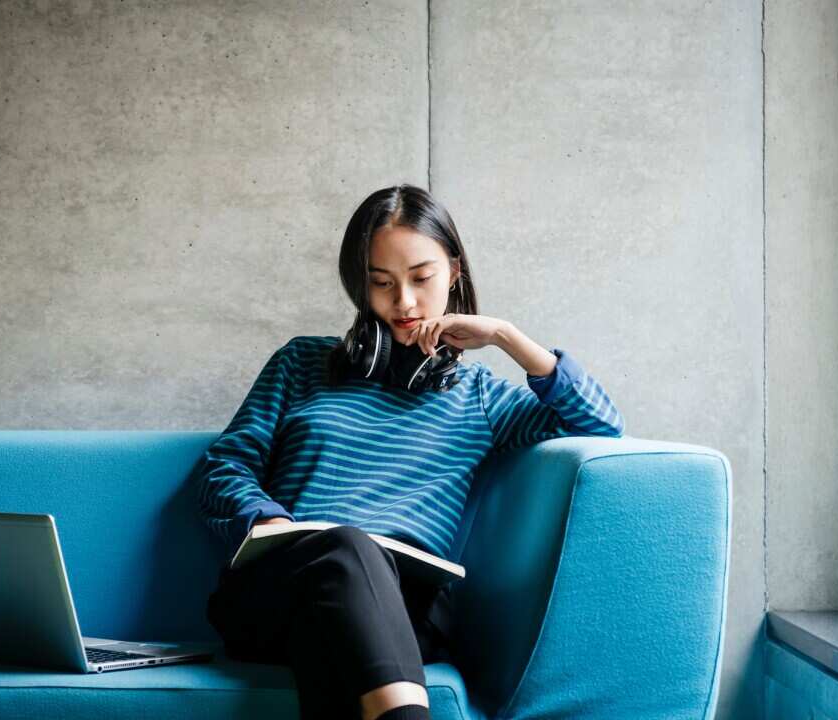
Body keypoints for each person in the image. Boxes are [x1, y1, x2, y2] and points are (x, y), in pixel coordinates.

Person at [197, 184, 625, 720]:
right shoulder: (300, 363)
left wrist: (505, 336)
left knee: (340, 613)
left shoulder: (482, 398)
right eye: (381, 283)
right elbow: (227, 465)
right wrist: (266, 521)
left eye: (421, 279)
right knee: (345, 550)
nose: (403, 302)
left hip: (406, 610)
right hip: (281, 590)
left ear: (454, 272)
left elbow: (601, 425)